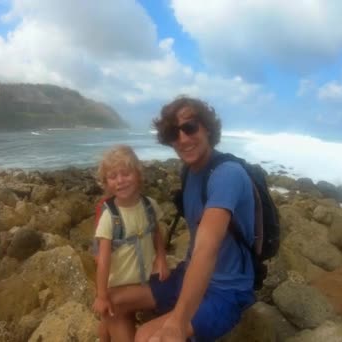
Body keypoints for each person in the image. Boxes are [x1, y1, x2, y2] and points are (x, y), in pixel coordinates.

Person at [108, 96, 257, 342]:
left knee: (147, 337)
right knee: (111, 303)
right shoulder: (190, 171)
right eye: (173, 133)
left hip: (226, 291)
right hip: (188, 274)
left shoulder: (227, 175)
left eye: (190, 128)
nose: (183, 139)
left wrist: (177, 322)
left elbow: (206, 249)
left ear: (207, 128)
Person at [92, 144, 170, 342]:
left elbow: (156, 233)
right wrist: (101, 296)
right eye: (113, 176)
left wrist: (161, 258)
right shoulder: (110, 217)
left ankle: (106, 327)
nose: (120, 181)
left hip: (142, 283)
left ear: (138, 174)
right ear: (107, 183)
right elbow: (103, 261)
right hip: (118, 286)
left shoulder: (149, 205)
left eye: (125, 173)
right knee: (115, 319)